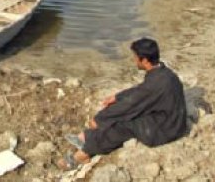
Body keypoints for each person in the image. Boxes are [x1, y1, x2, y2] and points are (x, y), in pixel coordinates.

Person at [58, 38, 187, 169]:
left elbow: (130, 104)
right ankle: (86, 138)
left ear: (144, 60)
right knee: (123, 115)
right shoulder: (163, 73)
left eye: (135, 57)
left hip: (166, 129)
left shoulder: (155, 84)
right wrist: (117, 97)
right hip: (174, 122)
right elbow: (140, 90)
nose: (134, 60)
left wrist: (100, 119)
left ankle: (82, 155)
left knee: (121, 125)